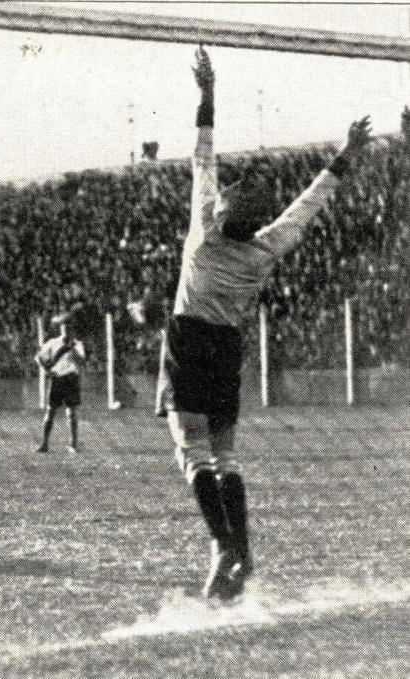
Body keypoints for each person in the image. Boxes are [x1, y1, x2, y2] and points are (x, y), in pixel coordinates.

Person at [160, 47, 373, 600]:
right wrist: (344, 154)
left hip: (189, 342)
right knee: (225, 455)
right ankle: (242, 552)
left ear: (221, 213)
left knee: (192, 452)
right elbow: (308, 205)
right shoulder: (264, 251)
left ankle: (223, 544)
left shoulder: (202, 242)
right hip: (228, 348)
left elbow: (202, 162)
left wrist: (207, 96)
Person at [34, 315, 86, 454]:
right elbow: (38, 357)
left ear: (72, 330)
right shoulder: (53, 342)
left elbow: (81, 360)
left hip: (71, 378)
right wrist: (47, 370)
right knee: (50, 411)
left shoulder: (77, 344)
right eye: (64, 328)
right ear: (60, 329)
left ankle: (73, 445)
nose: (66, 331)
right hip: (57, 379)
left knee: (71, 413)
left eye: (69, 328)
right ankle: (44, 443)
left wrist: (72, 348)